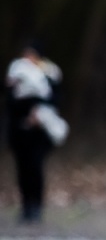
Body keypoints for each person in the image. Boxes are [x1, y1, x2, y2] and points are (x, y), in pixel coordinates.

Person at [6, 42, 64, 224]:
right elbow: (9, 103)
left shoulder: (49, 75)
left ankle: (37, 206)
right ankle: (25, 207)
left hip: (39, 133)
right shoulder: (16, 74)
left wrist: (39, 116)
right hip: (19, 131)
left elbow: (55, 100)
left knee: (36, 168)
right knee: (22, 170)